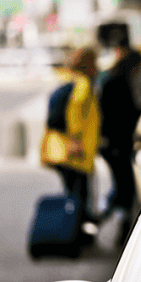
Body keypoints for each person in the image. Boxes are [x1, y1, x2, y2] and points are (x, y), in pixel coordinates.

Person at [41, 46, 101, 245]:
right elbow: (75, 110)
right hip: (75, 152)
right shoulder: (82, 82)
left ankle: (73, 233)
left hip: (61, 149)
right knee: (79, 196)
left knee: (73, 194)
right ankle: (75, 236)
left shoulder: (68, 79)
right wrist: (76, 140)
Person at [97, 45, 141, 245]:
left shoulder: (111, 81)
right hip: (117, 145)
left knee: (121, 187)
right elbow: (127, 114)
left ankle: (106, 219)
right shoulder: (120, 84)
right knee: (124, 188)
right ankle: (105, 220)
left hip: (112, 144)